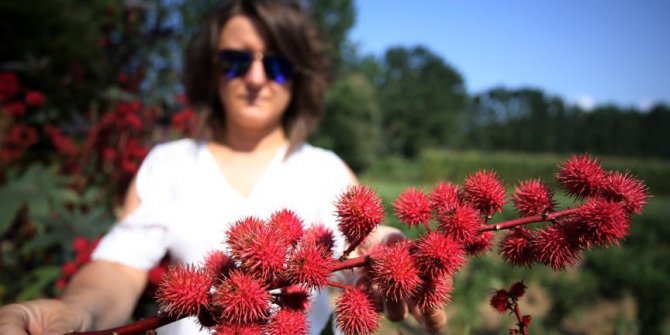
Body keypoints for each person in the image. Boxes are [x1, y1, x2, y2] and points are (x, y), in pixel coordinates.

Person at [0, 1, 446, 334]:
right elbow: (118, 268)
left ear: (300, 78)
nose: (255, 79)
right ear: (210, 72)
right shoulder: (169, 163)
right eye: (235, 61)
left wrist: (387, 252)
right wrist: (77, 311)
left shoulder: (326, 169)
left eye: (276, 64)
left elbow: (355, 250)